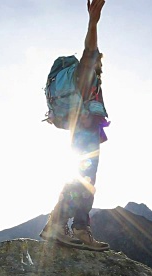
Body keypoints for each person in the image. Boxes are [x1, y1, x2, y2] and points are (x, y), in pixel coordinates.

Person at [40, 0, 110, 251]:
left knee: (82, 180)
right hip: (84, 133)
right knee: (83, 181)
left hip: (80, 132)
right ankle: (67, 227)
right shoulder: (85, 73)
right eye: (98, 59)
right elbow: (90, 47)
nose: (100, 61)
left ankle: (68, 226)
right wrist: (93, 22)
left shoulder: (88, 82)